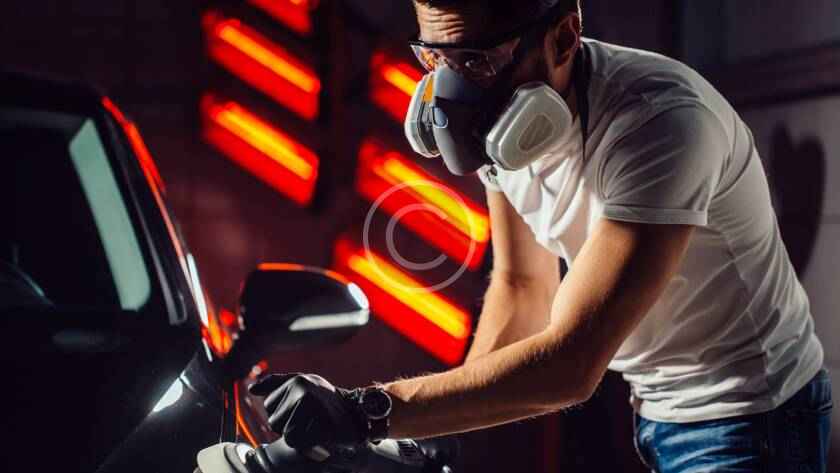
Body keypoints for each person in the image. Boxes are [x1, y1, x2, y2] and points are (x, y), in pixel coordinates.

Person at [248, 1, 833, 471]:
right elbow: (522, 286)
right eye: (435, 58)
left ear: (563, 37)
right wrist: (435, 433)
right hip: (657, 403)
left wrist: (368, 412)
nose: (451, 90)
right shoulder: (502, 128)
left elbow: (572, 364)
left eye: (476, 60)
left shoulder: (660, 124)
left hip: (753, 415)